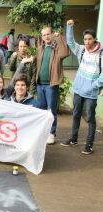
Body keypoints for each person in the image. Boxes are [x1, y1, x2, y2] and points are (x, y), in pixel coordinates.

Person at [61, 19, 103, 154]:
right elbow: (70, 41)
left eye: (90, 39)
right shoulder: (81, 50)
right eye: (85, 39)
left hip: (91, 93)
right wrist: (69, 27)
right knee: (76, 115)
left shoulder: (101, 54)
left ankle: (89, 145)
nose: (87, 42)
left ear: (95, 39)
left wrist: (93, 86)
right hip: (78, 90)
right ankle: (73, 139)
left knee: (90, 118)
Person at [36, 26, 70, 144]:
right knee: (41, 110)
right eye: (44, 35)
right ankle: (42, 131)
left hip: (51, 85)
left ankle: (51, 133)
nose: (46, 36)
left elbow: (65, 52)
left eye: (48, 34)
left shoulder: (56, 48)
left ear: (51, 34)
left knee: (51, 110)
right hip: (40, 85)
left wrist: (59, 37)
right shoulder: (41, 48)